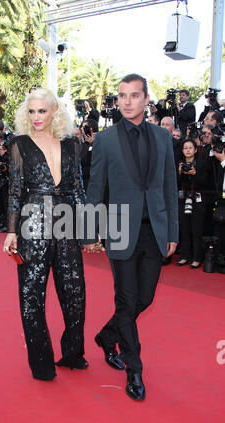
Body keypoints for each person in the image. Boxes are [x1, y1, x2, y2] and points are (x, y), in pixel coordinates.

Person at [83, 73, 178, 401]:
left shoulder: (163, 138)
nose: (126, 101)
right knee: (125, 300)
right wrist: (87, 230)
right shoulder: (106, 139)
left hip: (155, 231)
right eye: (121, 95)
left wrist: (173, 232)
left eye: (133, 95)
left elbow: (169, 188)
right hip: (120, 229)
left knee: (144, 299)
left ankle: (107, 336)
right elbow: (95, 187)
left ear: (146, 99)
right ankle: (134, 369)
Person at [3, 88, 88, 381]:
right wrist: (11, 230)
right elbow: (15, 190)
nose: (36, 117)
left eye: (42, 111)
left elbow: (77, 189)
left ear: (54, 112)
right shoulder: (20, 144)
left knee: (74, 293)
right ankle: (42, 364)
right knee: (31, 296)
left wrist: (88, 231)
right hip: (32, 223)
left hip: (66, 225)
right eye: (31, 111)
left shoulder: (72, 144)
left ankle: (73, 353)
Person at [176, 138, 211, 268]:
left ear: (195, 150)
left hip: (198, 200)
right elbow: (175, 183)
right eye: (185, 148)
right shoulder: (179, 164)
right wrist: (180, 173)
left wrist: (195, 173)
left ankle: (197, 257)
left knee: (196, 230)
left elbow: (206, 182)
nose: (188, 150)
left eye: (190, 148)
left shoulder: (201, 164)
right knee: (184, 228)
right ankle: (185, 255)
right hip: (183, 199)